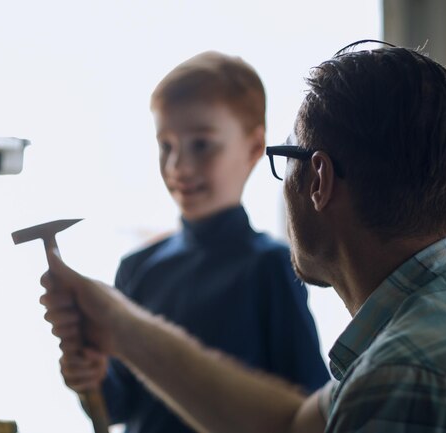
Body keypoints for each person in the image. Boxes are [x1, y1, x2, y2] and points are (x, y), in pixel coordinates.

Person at [40, 41, 446, 433]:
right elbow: (297, 423)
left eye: (287, 154)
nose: (179, 165)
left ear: (318, 178)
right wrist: (116, 328)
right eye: (166, 146)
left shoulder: (397, 382)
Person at [58, 51, 328, 433]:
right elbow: (120, 405)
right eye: (166, 146)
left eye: (201, 145)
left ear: (253, 149)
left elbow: (308, 409)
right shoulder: (137, 267)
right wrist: (92, 376)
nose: (178, 167)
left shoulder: (271, 266)